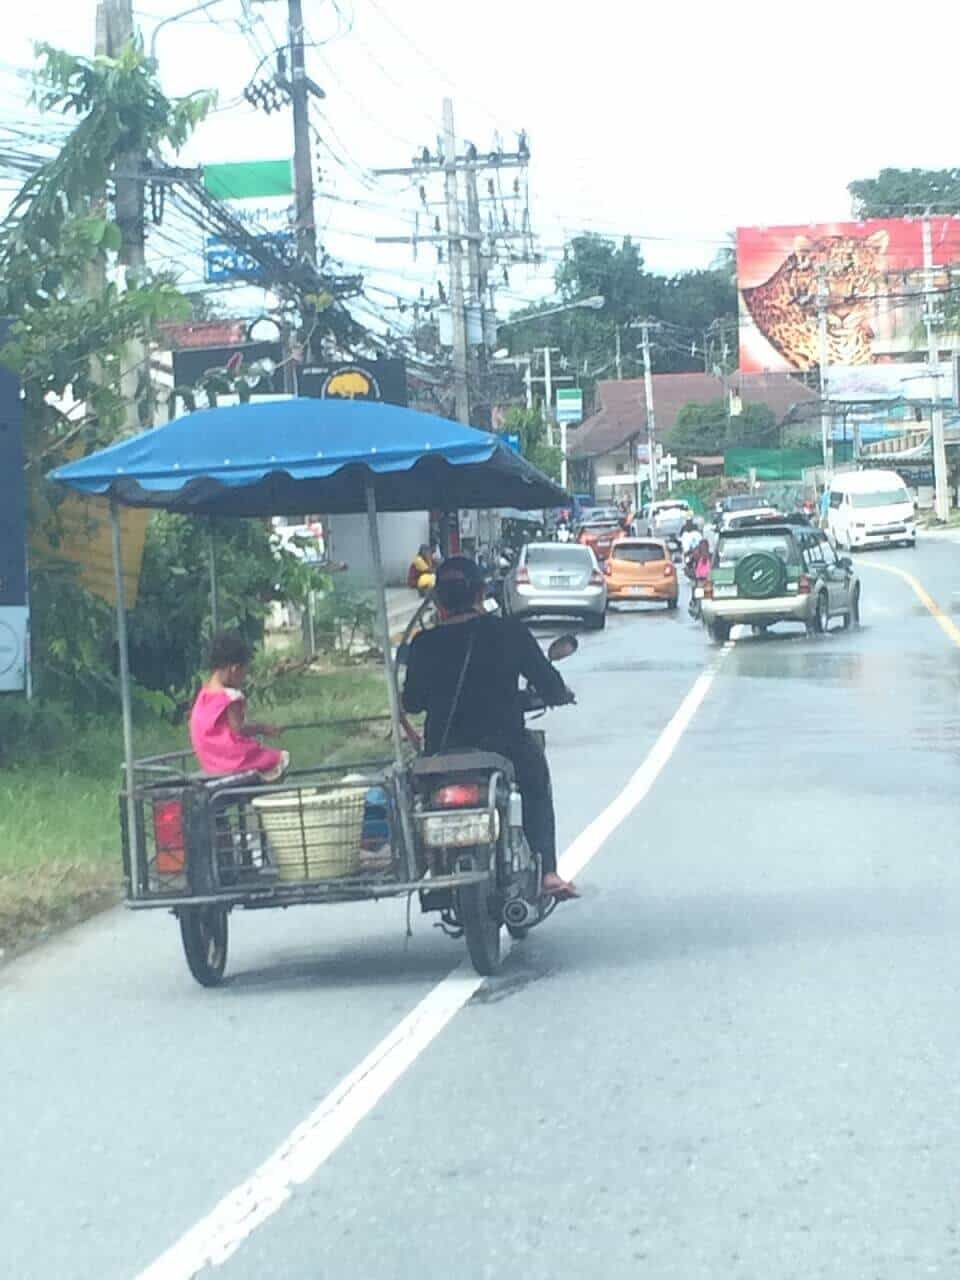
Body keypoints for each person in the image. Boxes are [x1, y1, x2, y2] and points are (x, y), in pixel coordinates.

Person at [402, 556, 578, 900]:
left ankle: (437, 868)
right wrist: (559, 695)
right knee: (536, 782)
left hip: (443, 751)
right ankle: (548, 874)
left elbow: (412, 703)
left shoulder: (423, 644)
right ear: (482, 593)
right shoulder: (508, 632)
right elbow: (548, 683)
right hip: (505, 746)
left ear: (438, 601)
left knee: (423, 798)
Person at [189, 631, 288, 780]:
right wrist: (264, 728)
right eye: (243, 674)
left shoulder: (204, 695)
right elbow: (239, 728)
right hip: (232, 760)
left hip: (210, 761)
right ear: (234, 669)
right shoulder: (230, 697)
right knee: (280, 758)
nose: (243, 679)